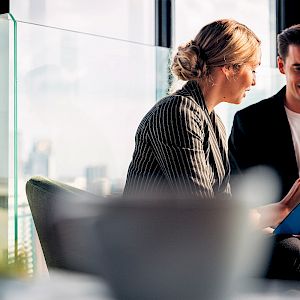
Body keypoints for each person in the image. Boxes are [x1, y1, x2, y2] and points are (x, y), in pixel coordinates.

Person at [124, 19, 300, 278]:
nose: (253, 81)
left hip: (198, 246)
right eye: (252, 69)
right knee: (291, 252)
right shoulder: (178, 112)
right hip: (159, 254)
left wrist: (275, 222)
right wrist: (283, 209)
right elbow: (207, 221)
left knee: (290, 247)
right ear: (229, 67)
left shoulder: (213, 122)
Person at [229, 24, 300, 200]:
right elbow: (240, 197)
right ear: (282, 66)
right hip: (275, 227)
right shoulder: (249, 122)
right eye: (299, 68)